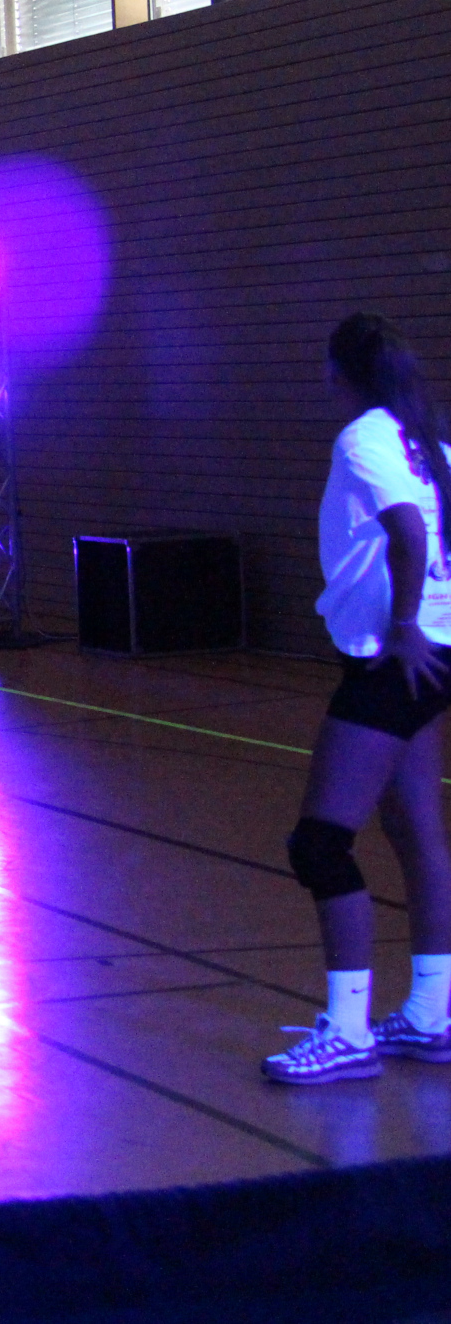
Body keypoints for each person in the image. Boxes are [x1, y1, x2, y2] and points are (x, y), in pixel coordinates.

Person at [263, 314, 451, 1085]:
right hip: (437, 651)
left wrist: (404, 624)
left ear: (338, 371)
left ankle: (347, 1031)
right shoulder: (428, 439)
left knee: (319, 844)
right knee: (415, 829)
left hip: (397, 657)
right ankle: (432, 1013)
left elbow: (408, 533)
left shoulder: (364, 437)